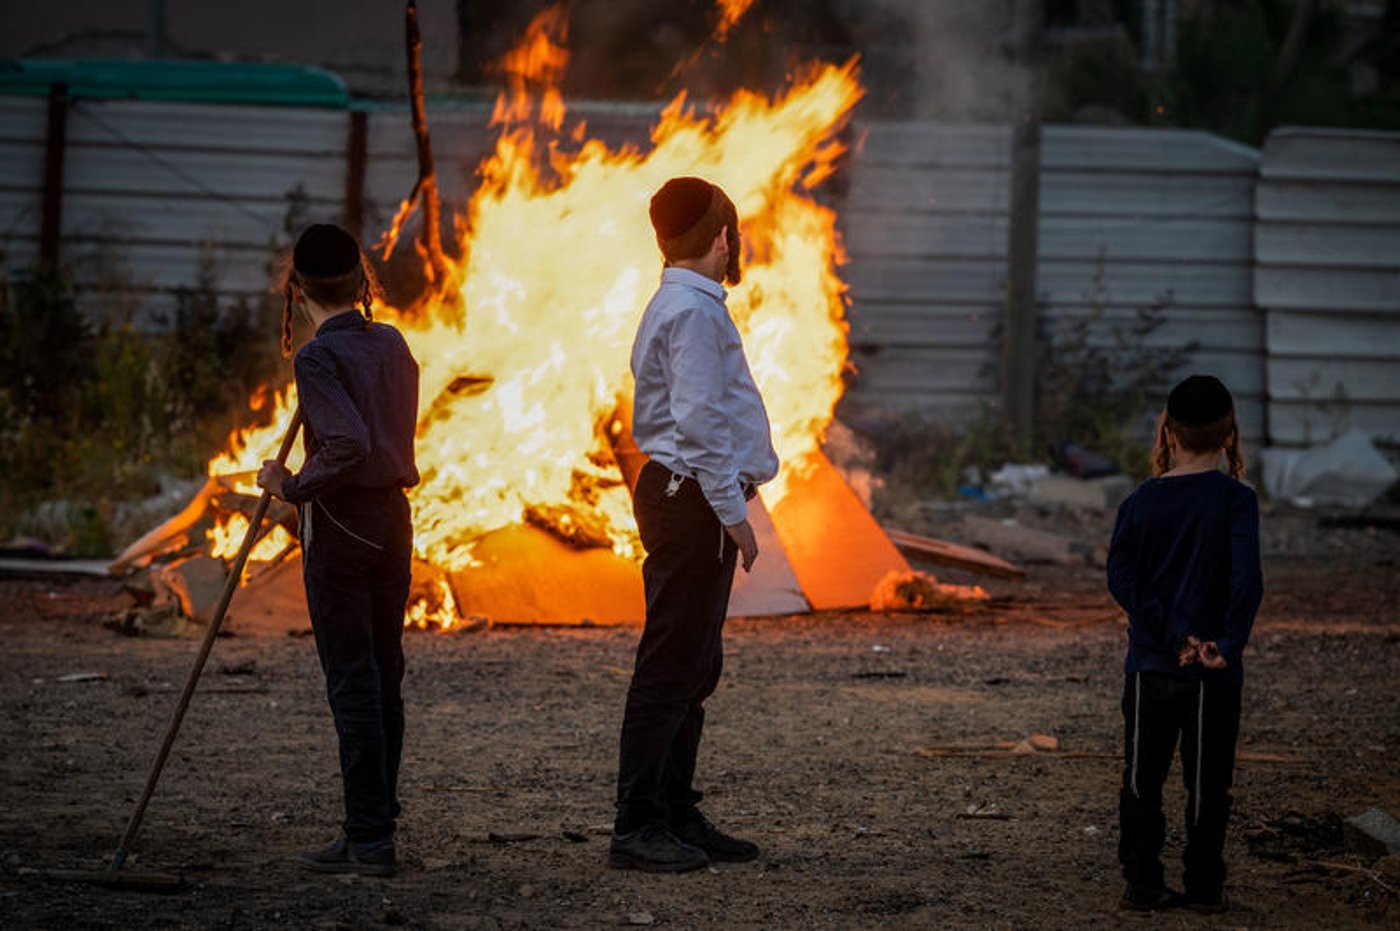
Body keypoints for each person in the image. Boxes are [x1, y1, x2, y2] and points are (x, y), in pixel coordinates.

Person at [609, 176, 780, 872]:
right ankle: (638, 824)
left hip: (686, 494)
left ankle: (676, 811)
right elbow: (701, 422)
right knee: (671, 664)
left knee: (694, 664)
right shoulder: (695, 312)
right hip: (690, 500)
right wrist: (734, 515)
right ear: (721, 237)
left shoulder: (681, 302)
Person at [257, 223, 420, 877]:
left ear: (296, 289)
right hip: (394, 522)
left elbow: (347, 445)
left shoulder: (316, 359)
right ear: (362, 284)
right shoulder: (394, 343)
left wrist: (291, 485)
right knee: (383, 675)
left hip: (345, 526)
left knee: (354, 679)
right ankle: (373, 827)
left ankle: (370, 838)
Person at [1107, 374, 1264, 914]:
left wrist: (1172, 635)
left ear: (1168, 433)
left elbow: (1123, 580)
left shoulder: (1140, 503)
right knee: (1207, 783)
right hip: (1212, 673)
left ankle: (1142, 882)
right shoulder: (1236, 502)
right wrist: (1223, 642)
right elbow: (1247, 581)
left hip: (1151, 667)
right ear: (1229, 435)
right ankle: (1203, 885)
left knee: (1141, 779)